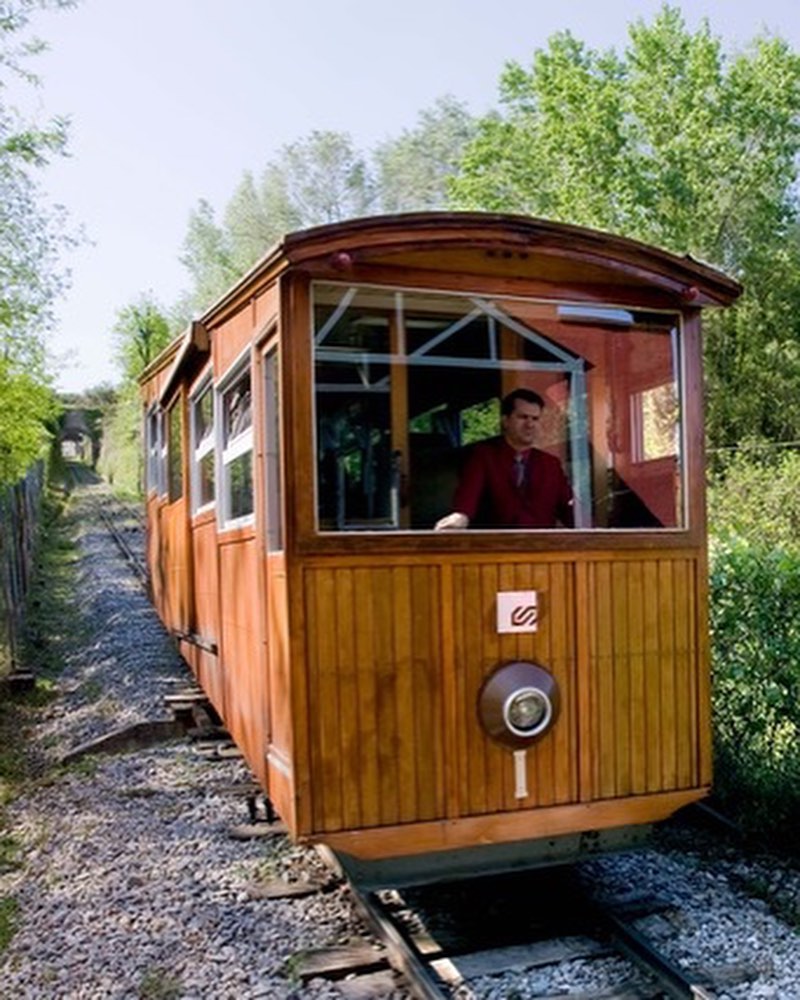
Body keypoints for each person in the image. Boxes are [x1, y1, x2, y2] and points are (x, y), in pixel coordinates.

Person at [434, 388, 574, 530]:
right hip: (497, 546)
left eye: (535, 419)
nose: (530, 424)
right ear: (505, 421)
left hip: (541, 547)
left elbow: (569, 509)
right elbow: (468, 496)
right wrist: (460, 516)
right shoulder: (483, 456)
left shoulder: (551, 464)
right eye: (523, 417)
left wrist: (592, 530)